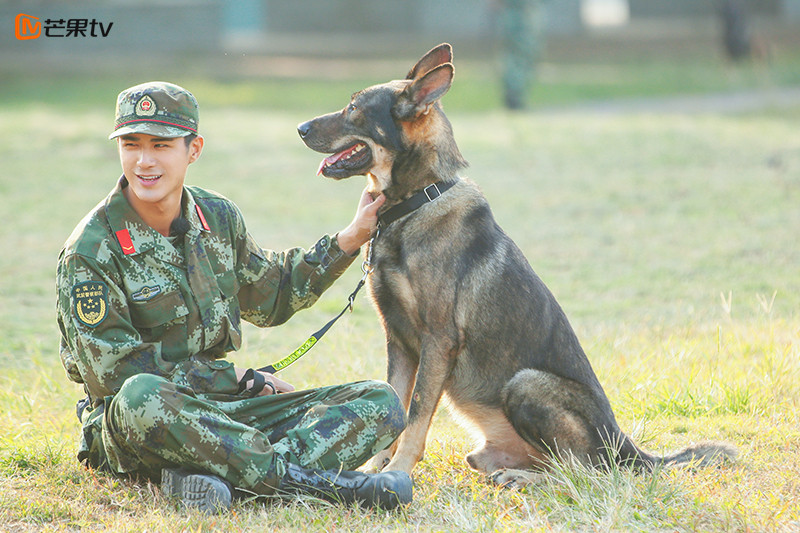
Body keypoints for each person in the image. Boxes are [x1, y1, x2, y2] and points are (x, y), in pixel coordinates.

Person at [56, 81, 411, 513]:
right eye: (131, 144)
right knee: (139, 395)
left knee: (380, 401)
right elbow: (117, 376)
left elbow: (272, 295)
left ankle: (210, 475)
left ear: (194, 149)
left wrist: (349, 239)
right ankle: (321, 485)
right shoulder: (90, 251)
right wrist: (240, 380)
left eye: (162, 145)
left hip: (230, 415)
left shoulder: (217, 217)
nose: (144, 161)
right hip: (147, 422)